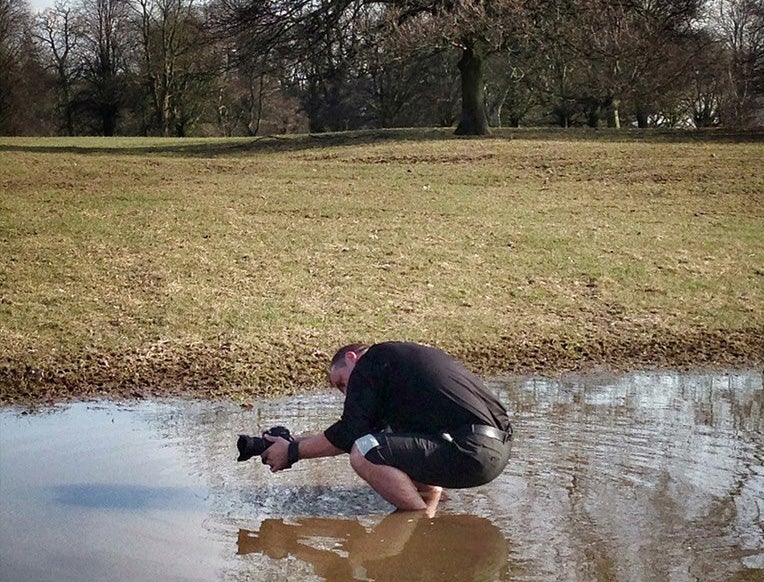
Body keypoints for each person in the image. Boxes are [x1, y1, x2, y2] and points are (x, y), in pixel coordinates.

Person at [261, 341, 513, 514]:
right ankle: (432, 505)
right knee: (381, 443)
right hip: (494, 452)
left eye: (341, 383)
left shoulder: (371, 361)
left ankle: (417, 521)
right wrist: (292, 441)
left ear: (352, 358)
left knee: (364, 450)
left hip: (471, 449)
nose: (346, 392)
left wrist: (292, 453)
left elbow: (351, 436)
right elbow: (355, 433)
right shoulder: (398, 371)